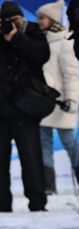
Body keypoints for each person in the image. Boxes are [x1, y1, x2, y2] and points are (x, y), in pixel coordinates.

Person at [0, 1, 49, 212]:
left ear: (22, 19)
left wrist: (17, 37)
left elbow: (42, 55)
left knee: (31, 157)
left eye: (15, 20)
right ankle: (0, 203)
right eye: (7, 21)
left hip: (25, 108)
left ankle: (37, 202)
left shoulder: (33, 32)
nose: (11, 24)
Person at [37, 0, 79, 194]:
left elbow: (72, 74)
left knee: (70, 143)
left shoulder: (64, 42)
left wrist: (72, 100)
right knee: (44, 144)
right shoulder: (38, 41)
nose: (39, 21)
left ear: (52, 19)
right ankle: (48, 185)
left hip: (62, 102)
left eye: (42, 18)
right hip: (43, 103)